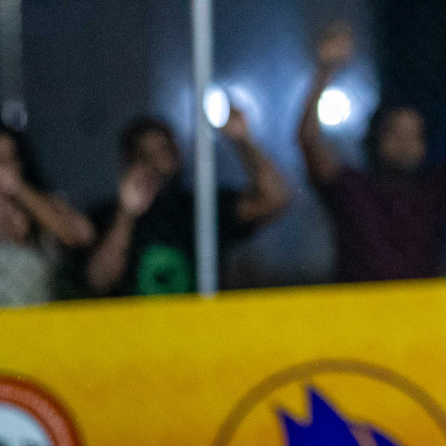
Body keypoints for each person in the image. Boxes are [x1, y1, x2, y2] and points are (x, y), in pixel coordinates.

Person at [298, 21, 446, 282]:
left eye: (415, 135)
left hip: (423, 315)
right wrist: (325, 69)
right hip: (356, 315)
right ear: (375, 139)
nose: (405, 144)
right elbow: (309, 140)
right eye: (395, 133)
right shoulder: (351, 189)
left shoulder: (434, 188)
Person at [83, 110, 289, 296]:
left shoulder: (202, 209)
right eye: (144, 155)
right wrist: (125, 214)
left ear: (177, 155)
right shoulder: (109, 217)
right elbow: (99, 282)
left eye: (163, 152)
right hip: (134, 334)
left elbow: (274, 198)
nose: (155, 163)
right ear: (128, 163)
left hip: (199, 331)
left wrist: (243, 141)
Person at [0, 124, 94, 306]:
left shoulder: (40, 204)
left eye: (10, 159)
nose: (4, 168)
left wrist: (18, 188)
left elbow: (81, 235)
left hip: (43, 325)